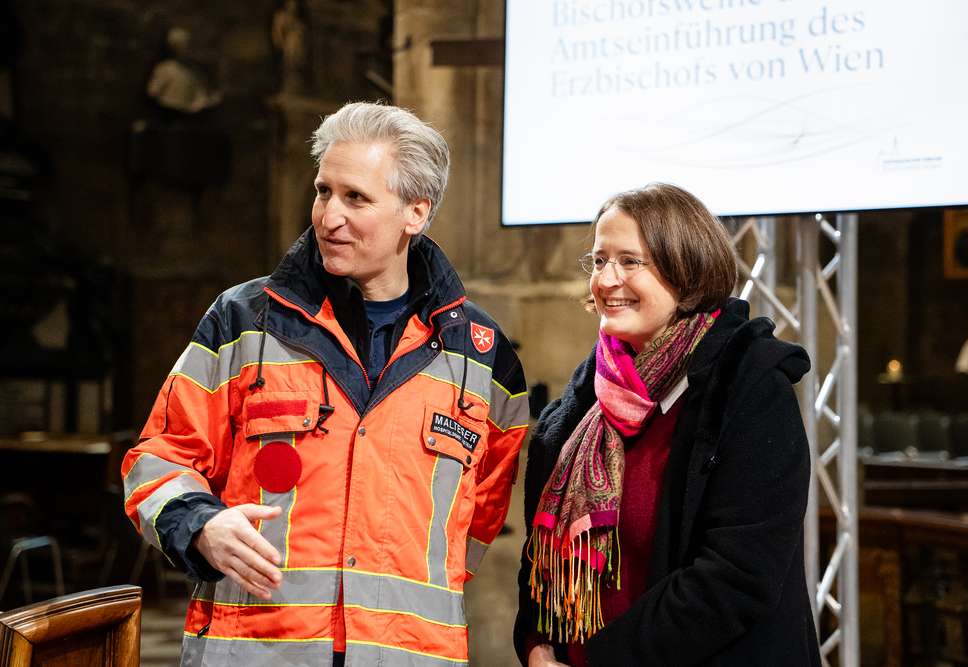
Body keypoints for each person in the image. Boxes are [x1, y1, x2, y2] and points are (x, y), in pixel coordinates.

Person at [123, 102, 529, 667]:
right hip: (257, 653)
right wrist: (201, 526)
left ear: (415, 212)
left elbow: (477, 522)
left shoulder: (483, 358)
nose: (329, 216)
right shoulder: (243, 321)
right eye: (323, 192)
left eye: (355, 198)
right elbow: (159, 458)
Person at [513, 183, 821, 666]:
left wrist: (596, 661)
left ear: (686, 268)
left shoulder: (750, 389)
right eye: (598, 260)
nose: (606, 279)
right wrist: (537, 646)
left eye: (629, 261)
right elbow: (540, 554)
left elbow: (736, 577)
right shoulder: (585, 397)